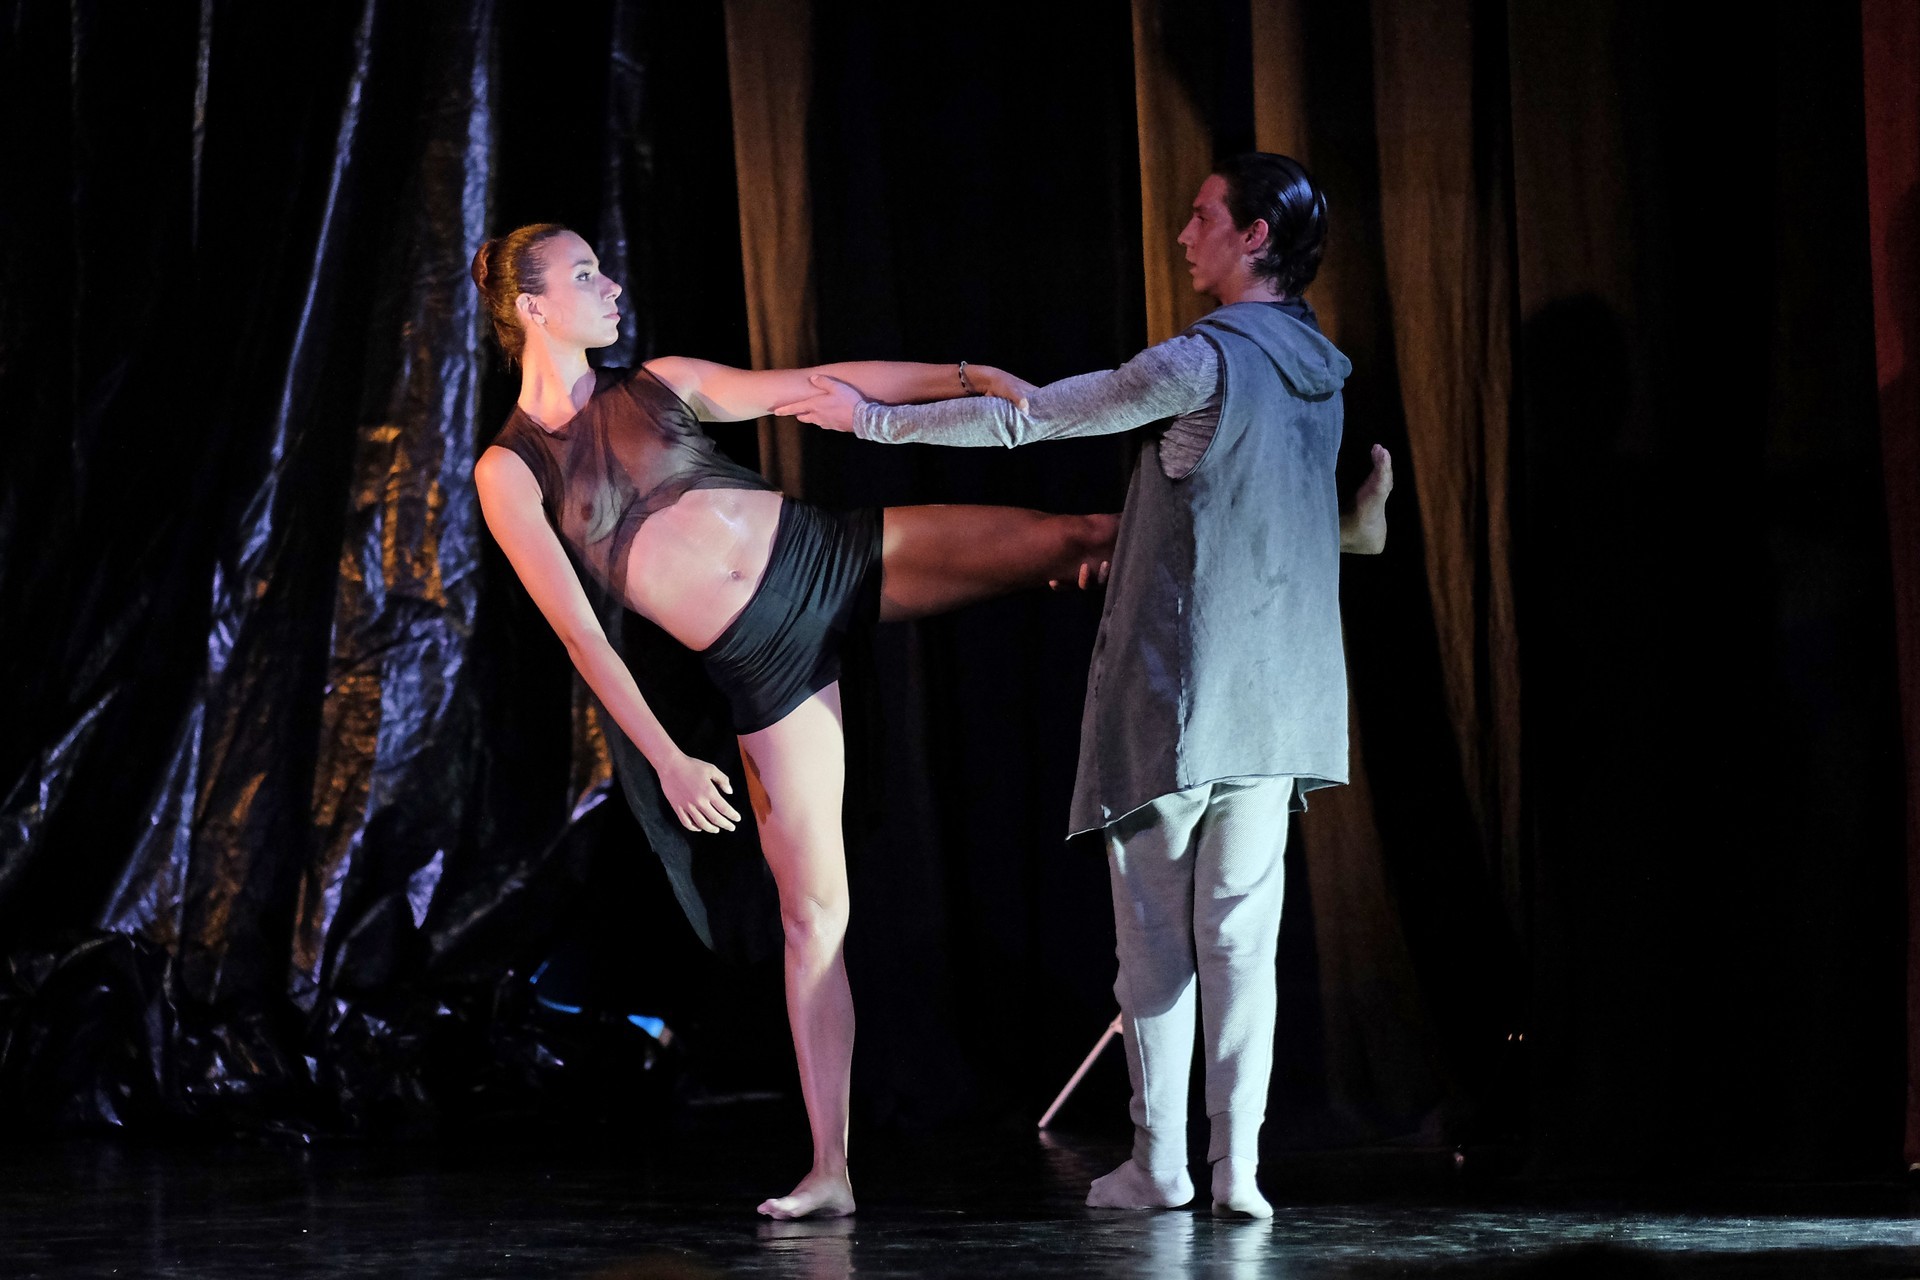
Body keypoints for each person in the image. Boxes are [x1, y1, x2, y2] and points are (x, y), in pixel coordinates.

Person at [777, 153, 1387, 1218]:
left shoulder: (1203, 359)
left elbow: (1034, 418)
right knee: (1240, 937)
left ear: (1253, 237)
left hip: (1181, 698)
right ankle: (1238, 1169)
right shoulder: (1322, 371)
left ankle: (1161, 1162)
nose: (1184, 233)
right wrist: (1351, 521)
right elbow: (1278, 521)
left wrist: (872, 420)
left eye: (1202, 216)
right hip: (1281, 700)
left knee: (1154, 940)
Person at [469, 223, 1118, 1220]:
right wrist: (669, 758)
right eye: (585, 274)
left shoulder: (661, 383)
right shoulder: (512, 470)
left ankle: (1325, 533)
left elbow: (816, 385)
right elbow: (581, 637)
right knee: (814, 917)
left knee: (1076, 539)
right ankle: (829, 1171)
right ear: (531, 307)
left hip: (828, 558)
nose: (611, 286)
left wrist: (964, 376)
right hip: (763, 664)